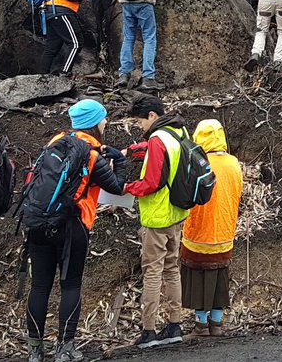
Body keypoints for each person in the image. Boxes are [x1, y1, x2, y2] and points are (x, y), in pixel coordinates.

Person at [25, 100, 126, 362]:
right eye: (103, 119)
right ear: (94, 122)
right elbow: (116, 187)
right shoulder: (91, 155)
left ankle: (35, 349)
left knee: (39, 286)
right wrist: (120, 160)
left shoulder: (54, 143)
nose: (106, 123)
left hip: (38, 222)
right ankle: (65, 348)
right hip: (72, 226)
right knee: (70, 286)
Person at [124, 95, 191, 348]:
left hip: (157, 216)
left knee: (152, 272)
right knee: (173, 269)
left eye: (140, 121)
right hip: (177, 212)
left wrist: (127, 188)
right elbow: (166, 157)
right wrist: (129, 151)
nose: (139, 126)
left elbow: (151, 182)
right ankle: (175, 325)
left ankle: (148, 331)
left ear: (152, 116)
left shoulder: (156, 138)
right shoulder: (179, 130)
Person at [181, 119, 243, 337]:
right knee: (219, 277)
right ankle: (216, 323)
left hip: (198, 231)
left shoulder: (198, 162)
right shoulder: (234, 163)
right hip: (225, 232)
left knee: (197, 278)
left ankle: (200, 324)